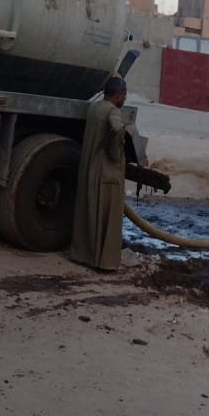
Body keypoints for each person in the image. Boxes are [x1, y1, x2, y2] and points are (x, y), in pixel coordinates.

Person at [69, 75, 128, 271]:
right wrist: (115, 154)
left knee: (88, 211)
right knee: (107, 217)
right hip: (105, 171)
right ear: (118, 94)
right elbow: (117, 129)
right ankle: (105, 262)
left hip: (89, 167)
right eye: (124, 95)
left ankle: (82, 255)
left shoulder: (94, 108)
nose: (124, 99)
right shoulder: (112, 111)